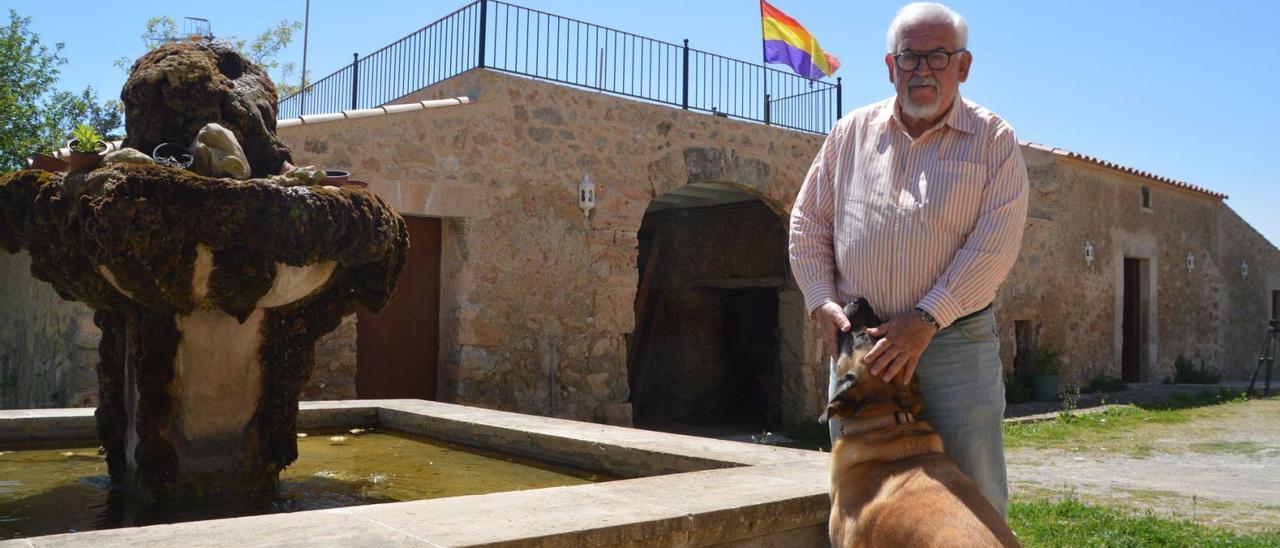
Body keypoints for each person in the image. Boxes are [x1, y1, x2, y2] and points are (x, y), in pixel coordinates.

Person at [787, 2, 1028, 516]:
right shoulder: (849, 134)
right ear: (890, 66)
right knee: (861, 496)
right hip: (862, 348)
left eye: (938, 57)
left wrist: (925, 319)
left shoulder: (995, 142)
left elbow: (995, 245)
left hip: (954, 343)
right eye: (910, 57)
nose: (922, 70)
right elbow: (808, 223)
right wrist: (820, 300)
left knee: (975, 494)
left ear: (963, 66)